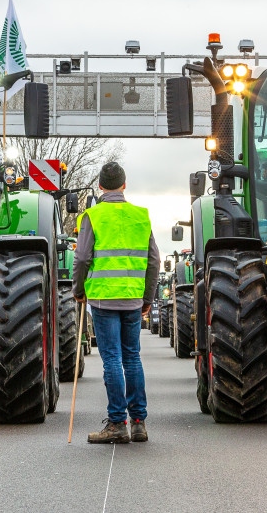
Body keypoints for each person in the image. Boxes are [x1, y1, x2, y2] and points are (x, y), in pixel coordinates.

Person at [73, 162, 160, 444]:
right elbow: (154, 261)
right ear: (124, 185)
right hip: (133, 299)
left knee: (111, 359)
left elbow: (83, 257)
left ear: (100, 186)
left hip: (102, 298)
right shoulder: (140, 216)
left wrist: (77, 289)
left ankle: (117, 424)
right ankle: (139, 423)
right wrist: (147, 298)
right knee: (132, 357)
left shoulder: (92, 216)